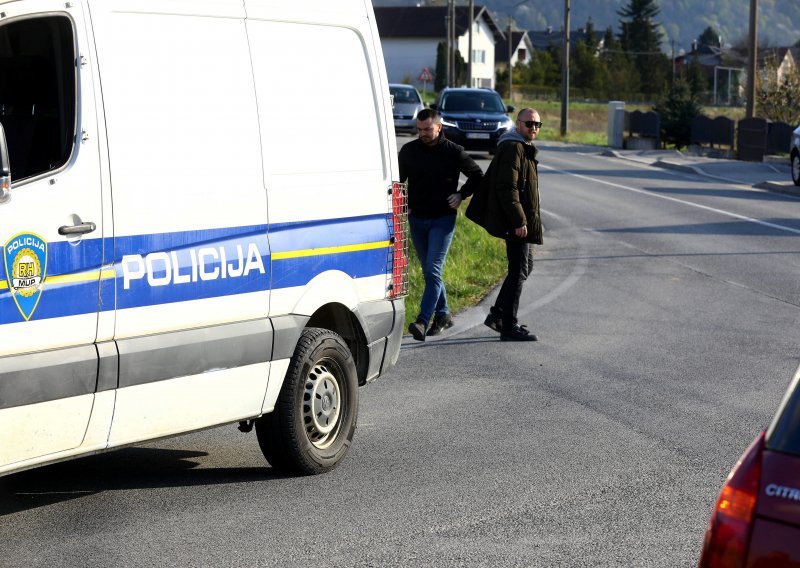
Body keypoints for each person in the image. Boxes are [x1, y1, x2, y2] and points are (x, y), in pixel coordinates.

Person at [398, 108, 483, 341]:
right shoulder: (408, 151)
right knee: (429, 271)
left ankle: (422, 321)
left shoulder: (454, 152)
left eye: (427, 129)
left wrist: (461, 195)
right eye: (419, 129)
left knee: (433, 269)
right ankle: (444, 314)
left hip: (443, 219)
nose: (423, 133)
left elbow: (477, 175)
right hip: (417, 220)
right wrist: (405, 205)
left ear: (439, 127)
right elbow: (397, 181)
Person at [481, 108, 543, 342]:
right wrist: (519, 220)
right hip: (515, 222)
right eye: (529, 124)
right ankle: (509, 325)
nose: (533, 128)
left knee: (524, 267)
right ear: (518, 124)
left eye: (537, 125)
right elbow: (508, 188)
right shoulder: (513, 147)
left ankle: (497, 314)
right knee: (518, 271)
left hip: (521, 220)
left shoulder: (521, 146)